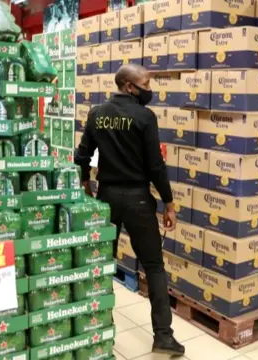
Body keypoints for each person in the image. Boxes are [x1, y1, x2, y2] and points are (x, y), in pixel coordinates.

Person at [74, 64, 185, 356]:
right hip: (138, 200)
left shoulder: (97, 113)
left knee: (101, 265)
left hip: (106, 197)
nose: (150, 89)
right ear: (129, 86)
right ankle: (163, 336)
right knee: (154, 267)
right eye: (146, 83)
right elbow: (155, 167)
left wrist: (85, 182)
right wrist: (169, 203)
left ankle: (100, 331)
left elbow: (82, 154)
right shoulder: (145, 117)